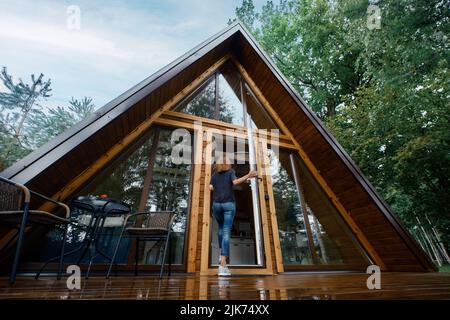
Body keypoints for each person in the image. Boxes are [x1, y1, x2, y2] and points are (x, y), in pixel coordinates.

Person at [209, 154, 258, 276]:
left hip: (217, 205)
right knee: (226, 232)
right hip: (228, 205)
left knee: (221, 230)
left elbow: (210, 188)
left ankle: (222, 256)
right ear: (228, 164)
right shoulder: (230, 172)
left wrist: (220, 187)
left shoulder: (214, 175)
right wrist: (249, 175)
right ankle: (222, 266)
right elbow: (235, 182)